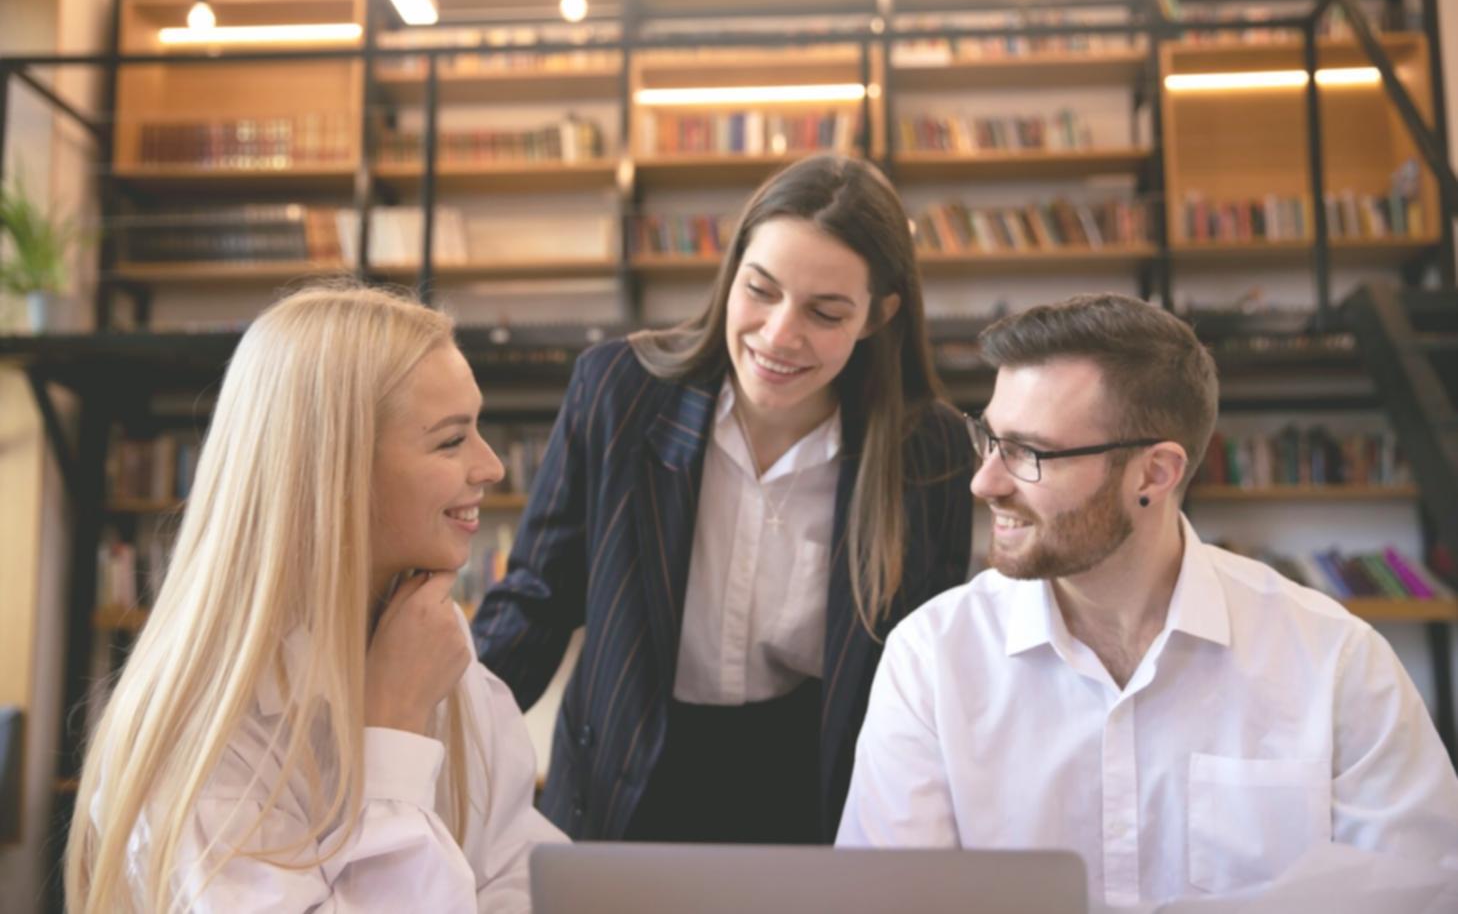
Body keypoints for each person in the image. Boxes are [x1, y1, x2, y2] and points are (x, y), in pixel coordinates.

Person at [837, 292, 1458, 905]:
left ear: (1155, 474)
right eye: (989, 439)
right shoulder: (931, 661)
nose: (985, 481)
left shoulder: (1336, 662)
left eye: (1028, 453)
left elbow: (1419, 895)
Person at [472, 154, 974, 843]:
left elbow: (929, 663)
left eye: (825, 312)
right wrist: (430, 731)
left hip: (815, 786)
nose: (778, 335)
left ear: (877, 315)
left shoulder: (929, 451)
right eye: (760, 290)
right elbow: (536, 596)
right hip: (623, 775)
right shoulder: (619, 391)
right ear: (732, 267)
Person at [65, 286, 565, 914]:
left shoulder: (433, 639)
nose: (491, 466)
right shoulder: (206, 730)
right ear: (336, 470)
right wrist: (394, 729)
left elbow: (519, 877)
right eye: (450, 441)